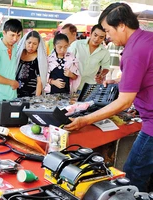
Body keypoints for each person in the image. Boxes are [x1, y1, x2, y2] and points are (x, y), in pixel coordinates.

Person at [64, 2, 153, 192]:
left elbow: (124, 102)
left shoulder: (134, 50)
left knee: (132, 174)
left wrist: (84, 120)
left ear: (121, 25)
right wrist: (121, 83)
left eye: (107, 30)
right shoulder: (147, 39)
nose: (107, 37)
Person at [0, 19, 23, 102]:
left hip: (11, 96)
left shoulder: (15, 47)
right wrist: (12, 83)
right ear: (4, 33)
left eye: (18, 35)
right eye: (12, 35)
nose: (15, 39)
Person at [68, 24, 110, 90]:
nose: (97, 39)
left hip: (88, 87)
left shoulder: (104, 52)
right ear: (90, 33)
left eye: (101, 37)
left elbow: (106, 67)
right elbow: (67, 61)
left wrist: (101, 75)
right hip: (71, 84)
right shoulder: (77, 45)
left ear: (104, 38)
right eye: (95, 35)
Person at [15, 31, 48, 97]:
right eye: (29, 42)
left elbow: (40, 81)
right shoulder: (18, 54)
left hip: (32, 95)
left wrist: (36, 98)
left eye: (34, 44)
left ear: (38, 45)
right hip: (15, 93)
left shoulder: (39, 58)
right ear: (25, 41)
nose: (31, 46)